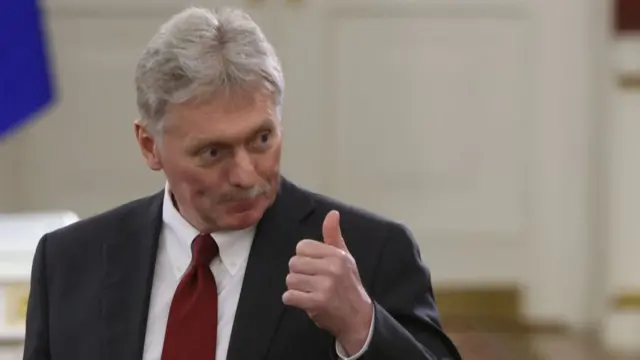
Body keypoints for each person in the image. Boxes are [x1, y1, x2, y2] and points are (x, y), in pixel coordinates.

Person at [22, 6, 461, 360]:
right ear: (149, 146)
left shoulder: (370, 253)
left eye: (262, 139)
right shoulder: (69, 264)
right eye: (213, 152)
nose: (247, 175)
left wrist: (361, 327)